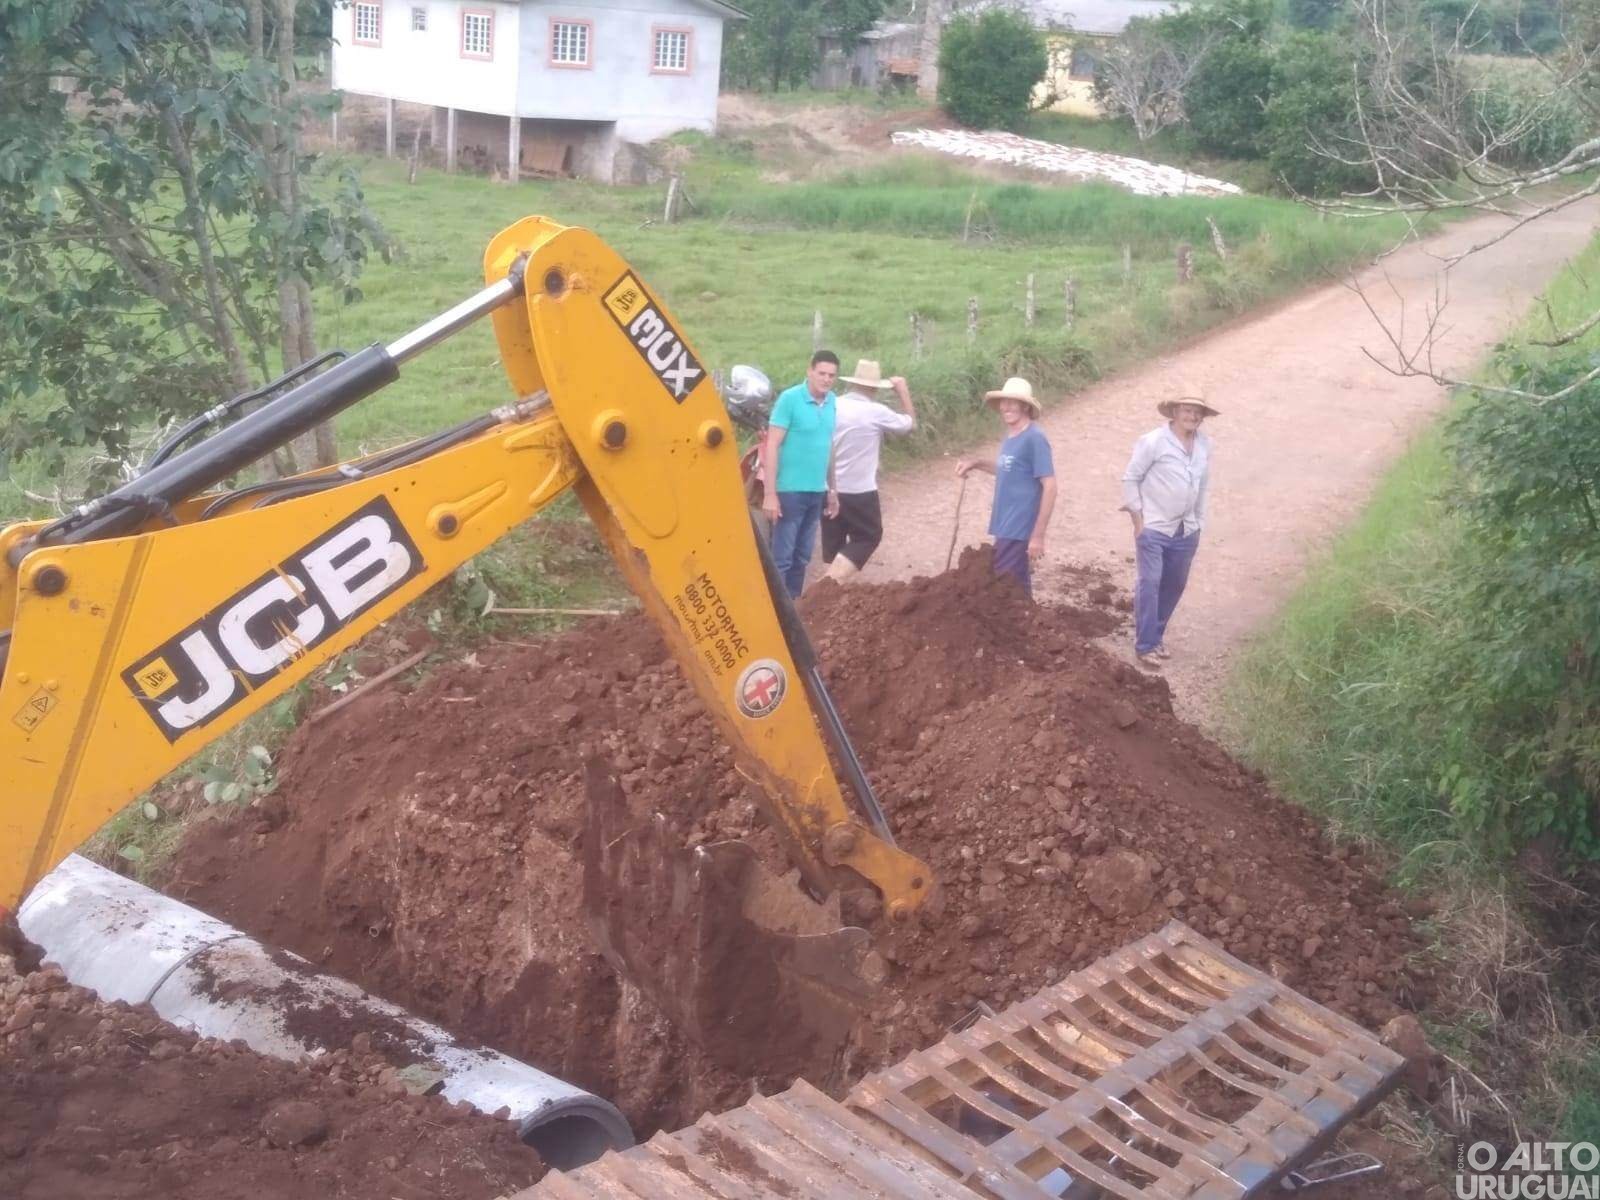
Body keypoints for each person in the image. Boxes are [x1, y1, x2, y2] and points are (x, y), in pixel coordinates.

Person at [1120, 385, 1218, 668]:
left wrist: (1199, 522)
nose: (1192, 416)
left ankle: (1156, 634)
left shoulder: (1203, 444)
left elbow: (1202, 485)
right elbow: (1131, 478)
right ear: (1175, 412)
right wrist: (1138, 521)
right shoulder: (1153, 441)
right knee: (1150, 582)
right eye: (1187, 410)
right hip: (1153, 526)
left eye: (1197, 412)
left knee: (1174, 584)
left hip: (1186, 529)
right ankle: (1146, 645)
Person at [955, 376, 1057, 597]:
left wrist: (1038, 535)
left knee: (1007, 586)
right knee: (1014, 585)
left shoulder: (1035, 438)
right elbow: (1009, 471)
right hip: (1005, 523)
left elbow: (1050, 486)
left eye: (1013, 402)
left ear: (1025, 406)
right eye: (1004, 402)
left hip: (1019, 525)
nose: (1006, 407)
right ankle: (1030, 626)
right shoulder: (1011, 436)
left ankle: (1026, 627)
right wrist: (977, 463)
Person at [820, 359, 916, 581]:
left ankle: (829, 594)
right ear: (874, 387)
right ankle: (827, 586)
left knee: (834, 546)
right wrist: (903, 390)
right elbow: (910, 425)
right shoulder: (875, 411)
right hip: (859, 490)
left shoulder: (831, 404)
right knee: (868, 536)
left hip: (827, 486)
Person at [762, 350, 840, 597]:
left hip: (816, 491)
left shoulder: (832, 402)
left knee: (803, 556)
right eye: (822, 373)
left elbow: (829, 446)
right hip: (790, 491)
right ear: (810, 371)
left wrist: (832, 489)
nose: (826, 379)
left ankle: (794, 605)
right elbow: (772, 444)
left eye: (831, 375)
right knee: (782, 557)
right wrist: (770, 494)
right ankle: (776, 612)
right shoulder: (790, 399)